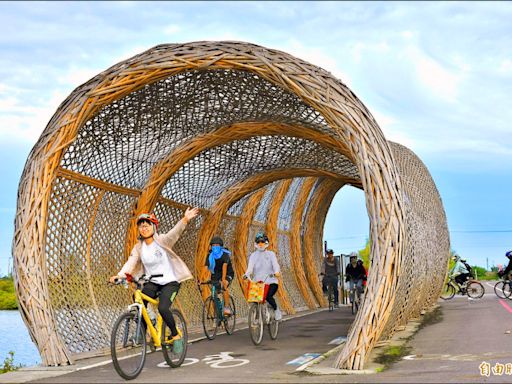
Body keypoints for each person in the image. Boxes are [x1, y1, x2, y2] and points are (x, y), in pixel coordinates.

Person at [109, 207, 199, 343]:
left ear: (153, 227)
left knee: (163, 308)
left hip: (170, 282)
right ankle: (143, 333)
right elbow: (130, 263)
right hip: (153, 282)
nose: (144, 228)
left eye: (147, 225)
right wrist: (120, 275)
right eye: (141, 226)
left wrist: (185, 220)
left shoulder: (162, 240)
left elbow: (174, 233)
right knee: (138, 299)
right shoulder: (138, 247)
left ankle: (175, 334)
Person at [243, 232, 283, 321]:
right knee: (254, 299)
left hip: (271, 281)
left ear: (266, 243)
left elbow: (275, 264)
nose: (260, 244)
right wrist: (247, 274)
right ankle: (257, 317)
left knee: (268, 296)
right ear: (256, 244)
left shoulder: (271, 254)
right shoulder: (253, 255)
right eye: (258, 242)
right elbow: (250, 268)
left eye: (262, 242)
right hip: (258, 282)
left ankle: (276, 310)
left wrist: (276, 272)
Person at [201, 236, 235, 315]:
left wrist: (223, 279)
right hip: (216, 274)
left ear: (221, 246)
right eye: (213, 245)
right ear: (211, 246)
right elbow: (205, 267)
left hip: (227, 273)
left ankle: (226, 307)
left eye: (217, 245)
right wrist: (200, 279)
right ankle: (217, 312)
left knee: (224, 286)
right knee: (214, 294)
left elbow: (224, 267)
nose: (215, 247)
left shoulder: (225, 255)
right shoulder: (210, 256)